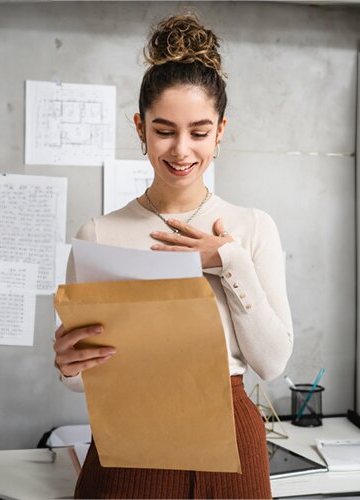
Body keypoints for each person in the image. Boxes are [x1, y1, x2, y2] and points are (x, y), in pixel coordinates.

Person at [52, 13, 294, 499]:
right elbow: (86, 383)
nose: (181, 150)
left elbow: (271, 364)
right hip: (130, 439)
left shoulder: (251, 228)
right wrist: (67, 366)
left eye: (199, 132)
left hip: (230, 437)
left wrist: (228, 261)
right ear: (140, 128)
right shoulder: (99, 233)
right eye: (164, 130)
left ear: (221, 131)